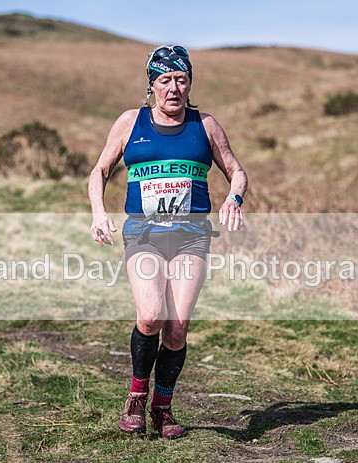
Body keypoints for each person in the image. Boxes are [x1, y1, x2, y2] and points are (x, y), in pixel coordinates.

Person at [88, 44, 248, 439]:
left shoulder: (205, 125)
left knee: (176, 327)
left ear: (190, 83)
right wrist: (98, 212)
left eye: (181, 79)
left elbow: (236, 170)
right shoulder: (130, 122)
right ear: (152, 85)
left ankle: (163, 408)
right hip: (144, 235)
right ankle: (136, 399)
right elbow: (99, 170)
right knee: (151, 316)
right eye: (165, 80)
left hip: (191, 238)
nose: (173, 88)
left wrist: (234, 197)